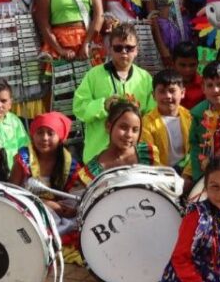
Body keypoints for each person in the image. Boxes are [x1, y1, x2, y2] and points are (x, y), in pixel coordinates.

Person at [73, 24, 155, 162]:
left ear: (137, 50)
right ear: (110, 50)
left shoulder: (145, 78)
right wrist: (103, 106)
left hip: (134, 155)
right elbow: (78, 108)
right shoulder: (93, 75)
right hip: (98, 154)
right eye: (118, 48)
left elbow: (152, 115)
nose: (124, 52)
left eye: (129, 48)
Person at [9, 111, 89, 235]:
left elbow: (75, 196)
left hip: (58, 215)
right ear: (32, 135)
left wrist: (70, 209)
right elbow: (11, 193)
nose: (44, 138)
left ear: (60, 137)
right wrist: (46, 204)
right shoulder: (23, 159)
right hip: (27, 212)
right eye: (40, 133)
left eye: (50, 133)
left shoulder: (69, 164)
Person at [84, 100, 156, 177]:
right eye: (123, 127)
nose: (129, 135)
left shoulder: (148, 154)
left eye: (135, 130)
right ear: (108, 126)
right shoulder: (92, 171)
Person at [140, 70, 192, 173]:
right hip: (160, 176)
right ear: (153, 95)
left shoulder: (191, 117)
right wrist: (168, 177)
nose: (167, 96)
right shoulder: (146, 122)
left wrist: (187, 176)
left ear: (182, 93)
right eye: (162, 91)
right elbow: (150, 157)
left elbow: (195, 151)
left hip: (188, 175)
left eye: (172, 91)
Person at [173, 42, 203, 110]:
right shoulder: (165, 86)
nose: (187, 70)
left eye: (192, 65)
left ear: (197, 64)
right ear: (174, 64)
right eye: (182, 65)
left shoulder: (205, 84)